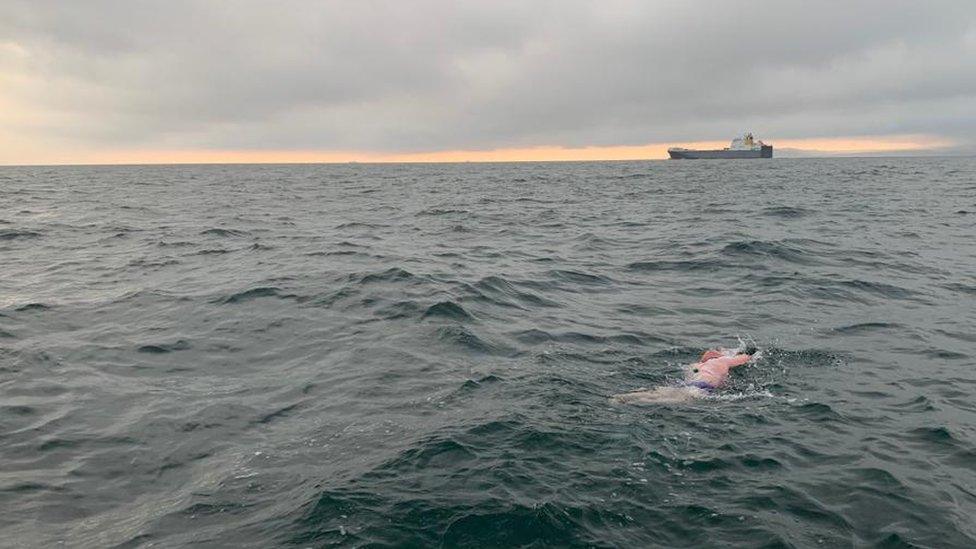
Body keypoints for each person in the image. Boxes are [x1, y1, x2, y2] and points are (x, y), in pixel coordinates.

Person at [611, 347, 755, 404]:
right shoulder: (723, 360)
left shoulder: (695, 366)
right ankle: (628, 401)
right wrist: (751, 355)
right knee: (666, 400)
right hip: (702, 387)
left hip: (687, 385)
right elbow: (744, 358)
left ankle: (623, 398)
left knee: (657, 393)